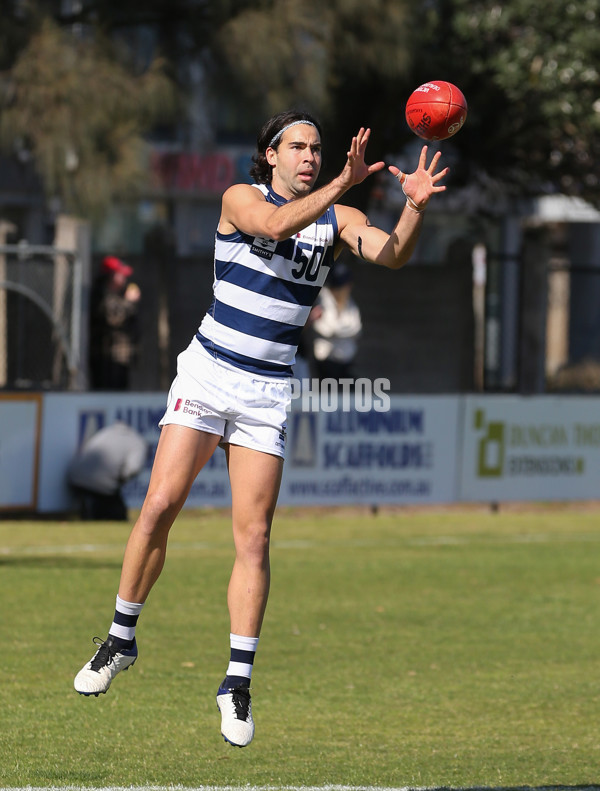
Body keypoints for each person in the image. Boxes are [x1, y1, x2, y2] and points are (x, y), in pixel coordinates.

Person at [73, 110, 448, 747]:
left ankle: (236, 683)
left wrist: (411, 208)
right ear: (269, 155)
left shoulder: (337, 219)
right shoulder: (242, 198)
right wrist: (344, 183)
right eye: (297, 147)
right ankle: (119, 639)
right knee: (160, 504)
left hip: (268, 388)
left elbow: (391, 256)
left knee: (254, 536)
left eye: (317, 149)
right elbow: (274, 225)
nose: (309, 156)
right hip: (209, 370)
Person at [67, 421, 148, 521]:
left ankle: (88, 512)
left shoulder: (105, 432)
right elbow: (133, 468)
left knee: (94, 507)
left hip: (75, 478)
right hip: (102, 486)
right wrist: (121, 479)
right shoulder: (137, 441)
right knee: (118, 515)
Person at [89, 255, 141, 390]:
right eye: (120, 275)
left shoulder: (117, 296)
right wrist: (129, 301)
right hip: (106, 359)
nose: (124, 279)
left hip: (120, 358)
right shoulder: (101, 296)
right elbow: (113, 319)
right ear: (111, 276)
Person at [311, 259, 362, 384]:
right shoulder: (322, 298)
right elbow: (328, 330)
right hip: (325, 361)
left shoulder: (349, 302)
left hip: (346, 361)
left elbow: (357, 328)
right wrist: (343, 330)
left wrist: (338, 331)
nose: (345, 289)